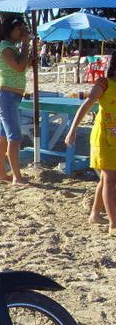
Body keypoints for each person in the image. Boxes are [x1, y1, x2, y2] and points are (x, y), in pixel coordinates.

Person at [65, 56, 116, 235]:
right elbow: (86, 106)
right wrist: (72, 130)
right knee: (110, 180)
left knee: (105, 179)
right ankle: (113, 224)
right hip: (103, 139)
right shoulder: (104, 84)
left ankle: (95, 213)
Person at [0, 15, 30, 185]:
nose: (22, 31)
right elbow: (20, 66)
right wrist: (26, 43)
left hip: (8, 96)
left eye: (23, 28)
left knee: (3, 138)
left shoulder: (10, 48)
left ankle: (1, 173)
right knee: (14, 137)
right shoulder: (6, 48)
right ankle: (17, 177)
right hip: (6, 96)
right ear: (9, 30)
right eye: (19, 28)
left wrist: (27, 52)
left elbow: (21, 66)